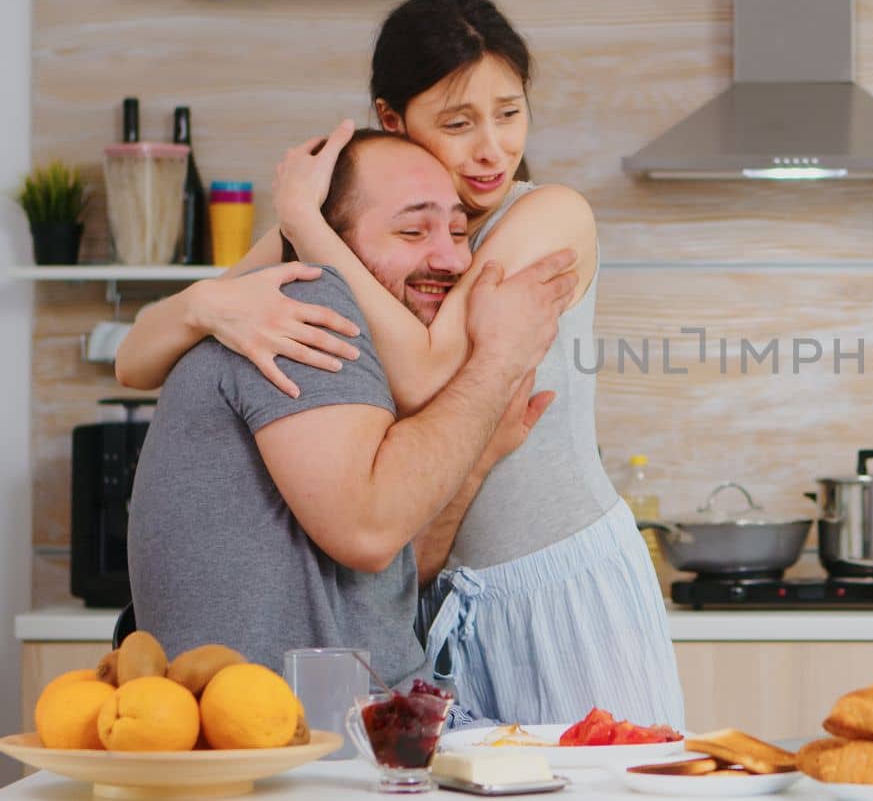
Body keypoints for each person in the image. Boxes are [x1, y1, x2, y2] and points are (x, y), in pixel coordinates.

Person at [116, 0, 685, 729]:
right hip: (436, 597)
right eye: (457, 121)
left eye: (509, 113)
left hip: (552, 578)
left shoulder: (544, 215)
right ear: (395, 120)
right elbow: (135, 361)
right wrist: (204, 305)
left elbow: (426, 376)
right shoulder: (374, 214)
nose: (490, 148)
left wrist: (304, 227)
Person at [127, 132, 576, 685]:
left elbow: (384, 574)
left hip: (370, 727)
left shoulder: (367, 345)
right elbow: (366, 533)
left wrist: (478, 457)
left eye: (460, 232)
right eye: (412, 230)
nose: (453, 258)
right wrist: (499, 361)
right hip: (294, 736)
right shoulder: (302, 309)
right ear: (326, 242)